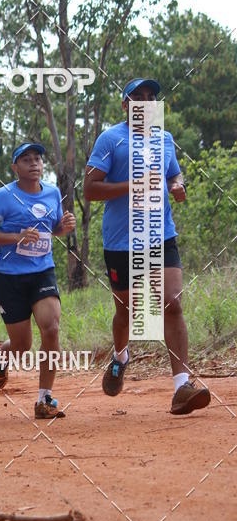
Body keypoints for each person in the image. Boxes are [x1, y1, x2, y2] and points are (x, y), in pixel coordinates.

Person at [83, 77, 210, 416]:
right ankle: (120, 356)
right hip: (121, 242)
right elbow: (90, 189)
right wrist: (132, 184)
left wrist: (178, 186)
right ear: (125, 105)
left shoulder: (165, 139)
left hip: (160, 235)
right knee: (126, 311)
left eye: (150, 97)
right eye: (136, 97)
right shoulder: (110, 140)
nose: (145, 102)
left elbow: (173, 175)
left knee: (171, 303)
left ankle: (182, 386)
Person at [0, 142, 76, 419]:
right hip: (9, 277)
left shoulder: (52, 192)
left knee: (51, 327)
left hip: (42, 272)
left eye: (37, 158)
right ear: (15, 167)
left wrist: (65, 226)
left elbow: (54, 229)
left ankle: (44, 399)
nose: (34, 164)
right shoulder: (3, 197)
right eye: (26, 160)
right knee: (22, 346)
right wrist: (16, 237)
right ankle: (2, 353)